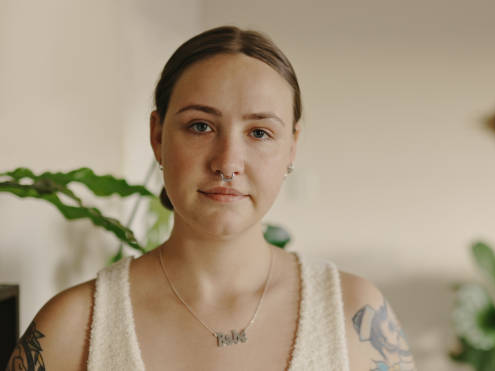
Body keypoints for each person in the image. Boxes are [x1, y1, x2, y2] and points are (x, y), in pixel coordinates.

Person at [5, 26, 416, 371]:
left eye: (259, 133)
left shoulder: (356, 315)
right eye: (200, 126)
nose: (227, 163)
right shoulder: (71, 329)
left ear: (291, 147)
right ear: (157, 136)